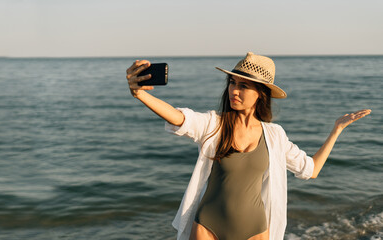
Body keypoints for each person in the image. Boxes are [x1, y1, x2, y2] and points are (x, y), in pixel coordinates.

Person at [125, 52, 371, 240]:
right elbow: (180, 117)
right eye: (232, 83)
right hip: (207, 225)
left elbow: (310, 170)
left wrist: (337, 129)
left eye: (244, 86)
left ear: (261, 94)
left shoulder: (274, 135)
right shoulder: (215, 125)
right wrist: (141, 95)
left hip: (255, 229)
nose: (235, 90)